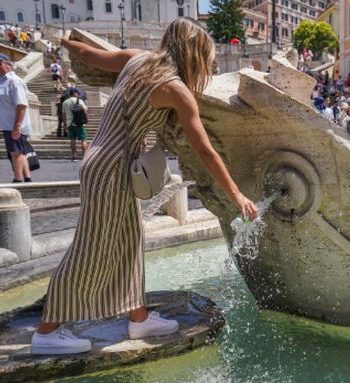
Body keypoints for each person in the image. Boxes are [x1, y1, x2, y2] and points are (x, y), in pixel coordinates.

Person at [31, 18, 259, 355]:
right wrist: (237, 194)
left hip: (101, 160)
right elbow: (205, 150)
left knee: (130, 240)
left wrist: (64, 41)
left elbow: (89, 55)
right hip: (112, 167)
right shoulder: (176, 90)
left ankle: (138, 317)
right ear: (194, 54)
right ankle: (47, 331)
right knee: (91, 248)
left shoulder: (137, 59)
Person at [0, 53, 33, 183]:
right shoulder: (3, 81)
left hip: (14, 124)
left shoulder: (14, 81)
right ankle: (27, 177)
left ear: (7, 64)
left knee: (15, 152)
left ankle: (18, 179)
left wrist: (17, 126)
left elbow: (21, 105)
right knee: (19, 151)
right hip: (8, 123)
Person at [62, 88, 89, 162]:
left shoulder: (65, 102)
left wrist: (64, 124)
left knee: (72, 140)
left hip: (69, 123)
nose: (78, 94)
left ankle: (74, 156)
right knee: (83, 139)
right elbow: (85, 110)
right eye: (77, 93)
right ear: (75, 93)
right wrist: (86, 119)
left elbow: (63, 114)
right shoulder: (79, 101)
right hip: (79, 123)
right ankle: (85, 156)